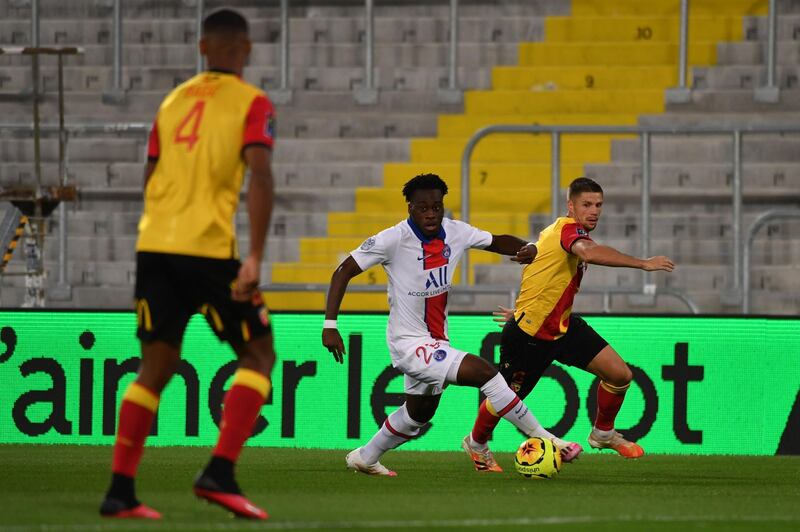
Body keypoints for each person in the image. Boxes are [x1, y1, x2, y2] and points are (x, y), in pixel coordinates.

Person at [99, 9, 277, 520]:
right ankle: (219, 472)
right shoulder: (251, 102)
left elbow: (151, 172)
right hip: (207, 250)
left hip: (153, 246)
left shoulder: (172, 102)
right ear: (244, 49)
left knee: (154, 368)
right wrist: (256, 256)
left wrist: (159, 229)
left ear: (203, 48)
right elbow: (260, 176)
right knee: (259, 355)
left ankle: (120, 492)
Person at [321, 173, 583, 475]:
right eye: (423, 208)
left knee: (417, 415)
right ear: (410, 208)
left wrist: (529, 248)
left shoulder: (454, 232)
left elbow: (496, 241)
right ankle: (549, 439)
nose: (431, 214)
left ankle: (365, 457)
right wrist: (330, 325)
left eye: (436, 207)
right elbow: (343, 271)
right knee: (486, 373)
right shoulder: (393, 239)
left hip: (436, 340)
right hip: (408, 343)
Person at [464, 177, 675, 468]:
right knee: (505, 398)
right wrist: (643, 263)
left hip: (560, 327)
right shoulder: (568, 230)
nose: (594, 211)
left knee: (619, 375)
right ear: (571, 206)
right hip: (530, 336)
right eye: (586, 204)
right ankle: (476, 444)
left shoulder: (555, 233)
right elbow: (587, 252)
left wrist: (523, 309)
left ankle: (603, 433)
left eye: (599, 205)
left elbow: (542, 272)